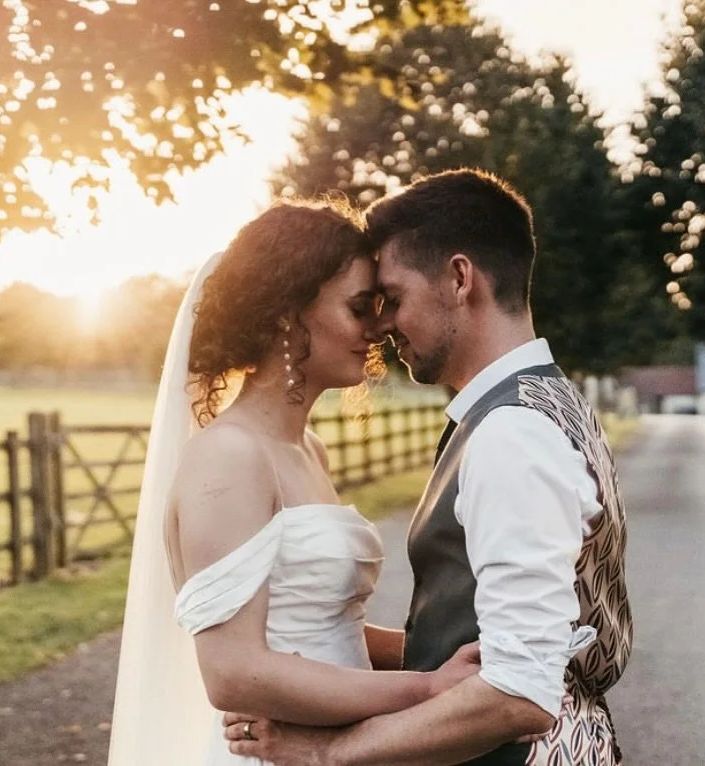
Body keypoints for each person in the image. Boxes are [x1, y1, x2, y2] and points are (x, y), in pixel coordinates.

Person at [224, 169, 634, 765]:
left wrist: (326, 754)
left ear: (460, 279)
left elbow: (519, 695)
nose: (381, 324)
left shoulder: (510, 433)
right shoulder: (542, 402)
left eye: (393, 297)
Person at [106, 199, 482, 766]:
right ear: (288, 313)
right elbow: (234, 672)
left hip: (332, 745)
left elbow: (324, 627)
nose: (378, 328)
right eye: (360, 307)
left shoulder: (308, 450)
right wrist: (426, 690)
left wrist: (441, 656)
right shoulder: (230, 458)